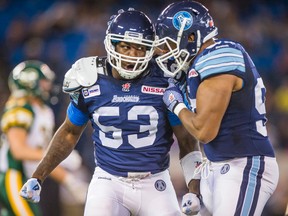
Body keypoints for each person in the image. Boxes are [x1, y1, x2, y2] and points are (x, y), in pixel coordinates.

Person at [19, 9, 202, 216]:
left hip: (155, 181)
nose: (132, 55)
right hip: (109, 180)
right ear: (111, 44)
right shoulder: (90, 79)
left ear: (151, 49)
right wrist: (38, 176)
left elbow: (186, 141)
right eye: (125, 46)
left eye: (140, 48)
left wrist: (193, 190)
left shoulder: (164, 80)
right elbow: (69, 133)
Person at [155, 1, 279, 215]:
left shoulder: (219, 57)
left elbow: (204, 131)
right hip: (215, 165)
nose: (166, 52)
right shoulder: (198, 64)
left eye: (169, 45)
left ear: (191, 37)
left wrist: (176, 105)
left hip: (244, 165)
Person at [0, 60, 88, 216]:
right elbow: (18, 151)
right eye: (43, 82)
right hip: (12, 175)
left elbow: (42, 157)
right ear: (29, 83)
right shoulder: (20, 107)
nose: (47, 86)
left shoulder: (43, 111)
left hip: (27, 178)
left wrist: (69, 181)